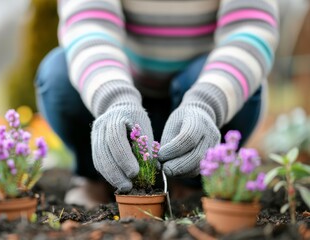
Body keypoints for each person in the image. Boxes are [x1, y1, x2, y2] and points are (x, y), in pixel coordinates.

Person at [35, 0, 279, 208]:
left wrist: (206, 102)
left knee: (246, 83)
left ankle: (190, 182)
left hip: (198, 99)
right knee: (58, 74)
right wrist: (116, 100)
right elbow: (88, 24)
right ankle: (98, 177)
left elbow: (251, 27)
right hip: (128, 104)